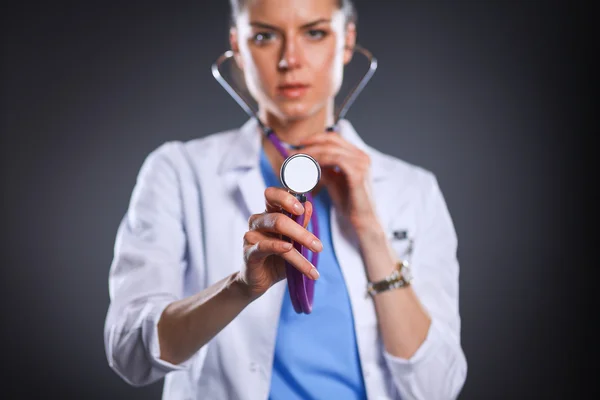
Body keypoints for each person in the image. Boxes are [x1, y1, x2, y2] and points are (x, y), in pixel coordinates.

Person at [103, 0, 468, 399]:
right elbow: (129, 355)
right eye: (264, 36)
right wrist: (240, 288)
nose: (289, 60)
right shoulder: (178, 171)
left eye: (314, 32)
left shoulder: (413, 189)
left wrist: (370, 231)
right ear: (238, 47)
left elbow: (438, 388)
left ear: (346, 43)